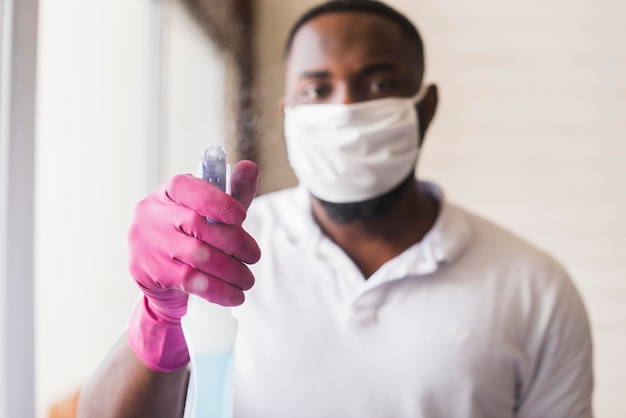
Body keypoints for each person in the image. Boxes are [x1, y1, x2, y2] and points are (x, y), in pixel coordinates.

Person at [77, 1, 594, 417]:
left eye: (378, 85)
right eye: (317, 88)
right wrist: (159, 314)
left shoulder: (534, 287)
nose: (344, 110)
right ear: (288, 115)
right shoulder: (216, 252)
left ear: (425, 107)